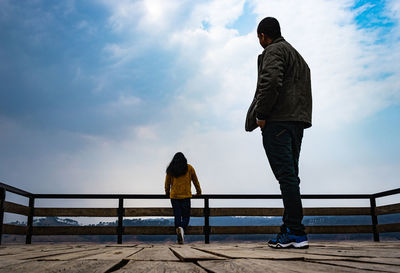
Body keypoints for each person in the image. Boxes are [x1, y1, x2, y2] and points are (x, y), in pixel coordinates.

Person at [245, 17, 312, 249]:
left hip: (278, 123)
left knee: (286, 177)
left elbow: (270, 81)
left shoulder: (274, 51)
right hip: (296, 122)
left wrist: (261, 115)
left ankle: (295, 231)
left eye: (259, 38)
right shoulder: (297, 56)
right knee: (291, 176)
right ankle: (291, 228)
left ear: (263, 36)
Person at [165, 152, 202, 244]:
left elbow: (167, 183)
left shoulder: (171, 169)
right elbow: (195, 181)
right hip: (186, 196)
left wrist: (167, 192)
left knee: (177, 215)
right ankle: (181, 229)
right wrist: (199, 192)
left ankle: (179, 233)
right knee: (186, 216)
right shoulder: (189, 168)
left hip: (174, 196)